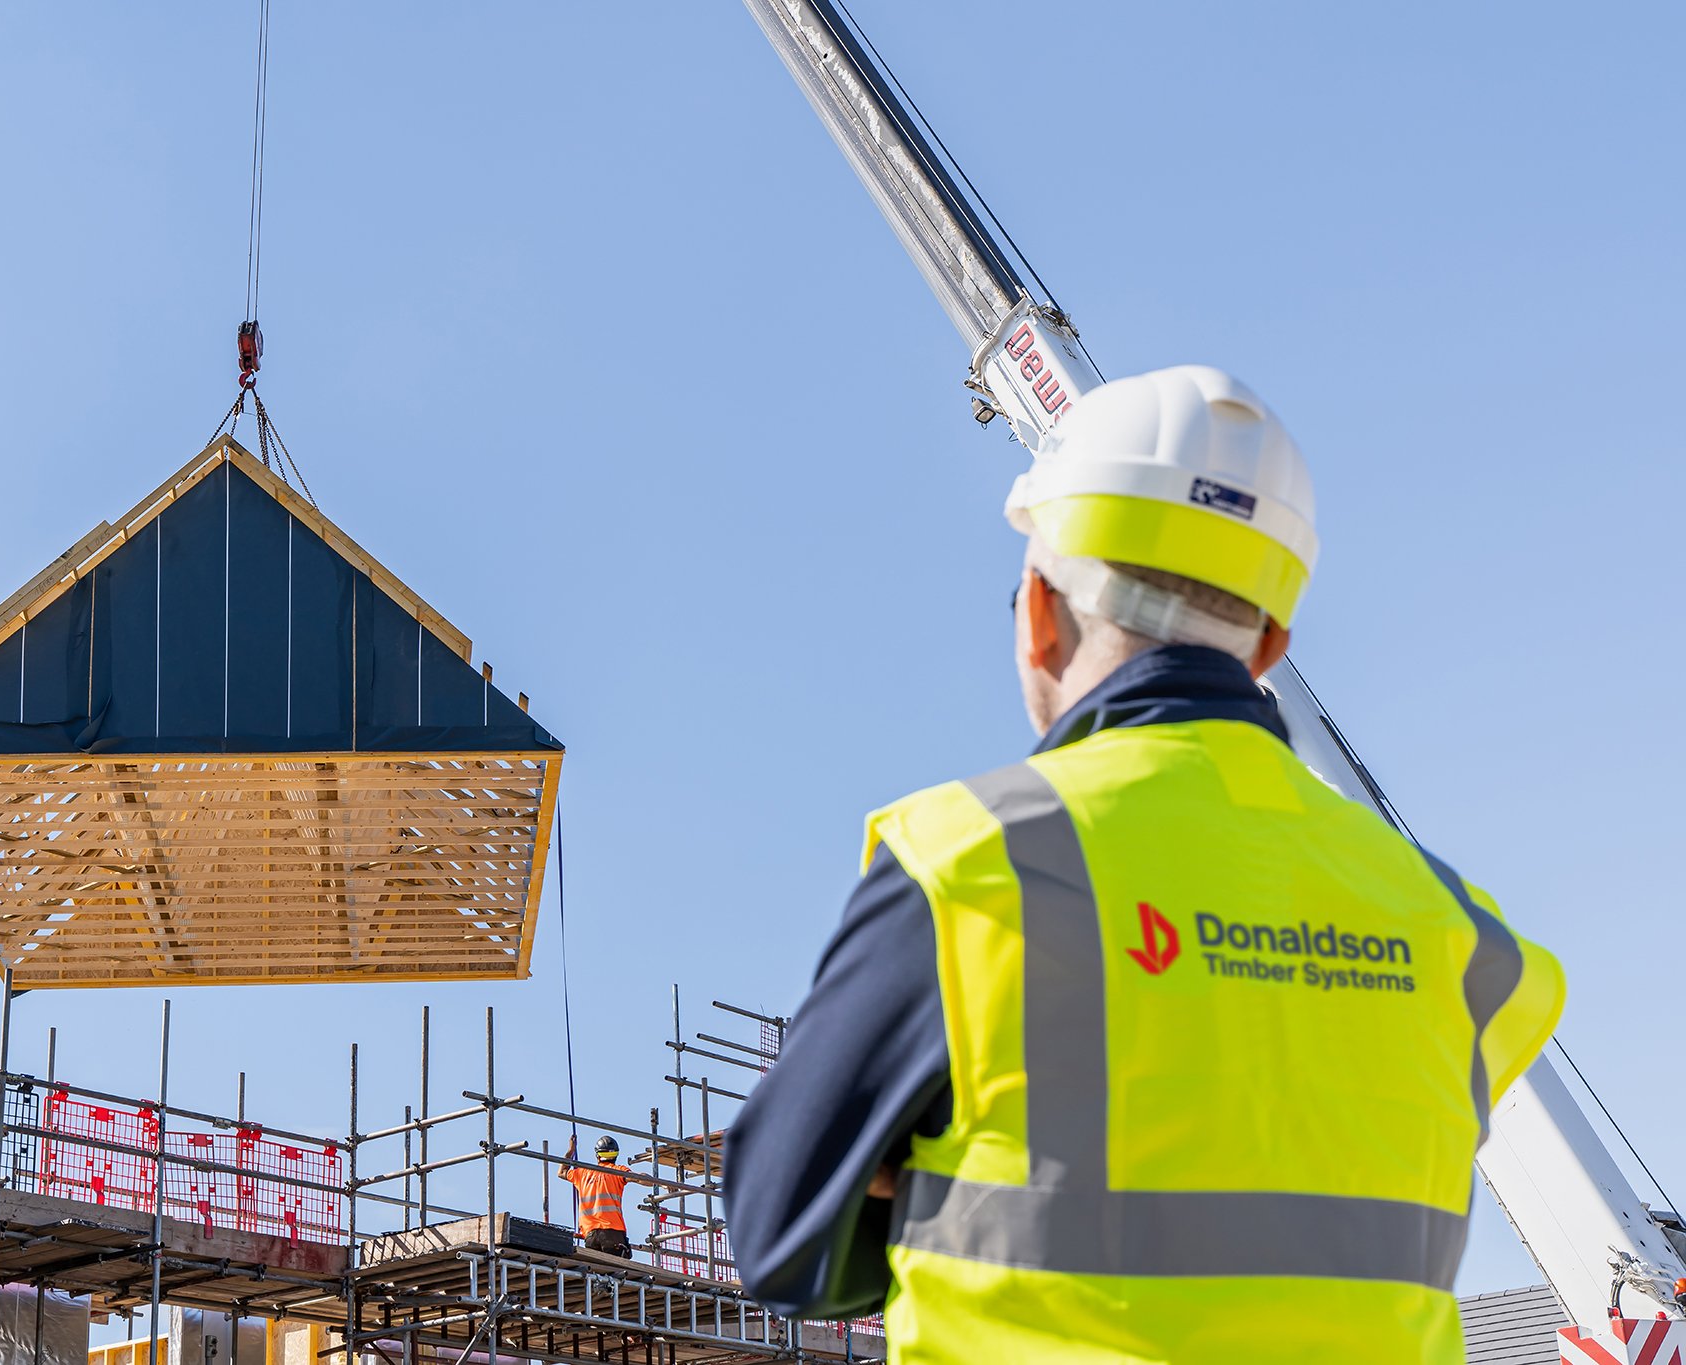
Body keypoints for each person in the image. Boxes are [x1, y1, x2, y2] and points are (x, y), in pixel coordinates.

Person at [723, 365, 1565, 1363]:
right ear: (1268, 646)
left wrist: (918, 1185)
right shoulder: (1453, 931)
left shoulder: (975, 861)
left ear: (1038, 611)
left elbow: (779, 1238)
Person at [562, 1133, 633, 1257]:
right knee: (619, 1271)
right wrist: (659, 1183)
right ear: (615, 1155)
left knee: (596, 1273)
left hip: (591, 1236)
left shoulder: (583, 1173)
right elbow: (638, 1178)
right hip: (612, 1233)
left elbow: (562, 1172)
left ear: (597, 1155)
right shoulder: (617, 1171)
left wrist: (570, 1151)